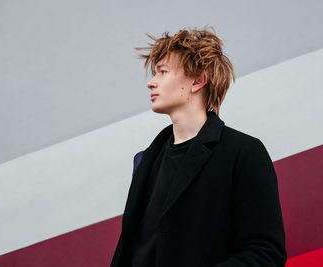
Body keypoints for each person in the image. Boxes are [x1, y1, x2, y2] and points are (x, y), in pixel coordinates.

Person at [111, 26, 286, 267]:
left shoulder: (243, 153)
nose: (151, 83)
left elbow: (266, 253)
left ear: (198, 81)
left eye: (162, 72)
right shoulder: (145, 160)